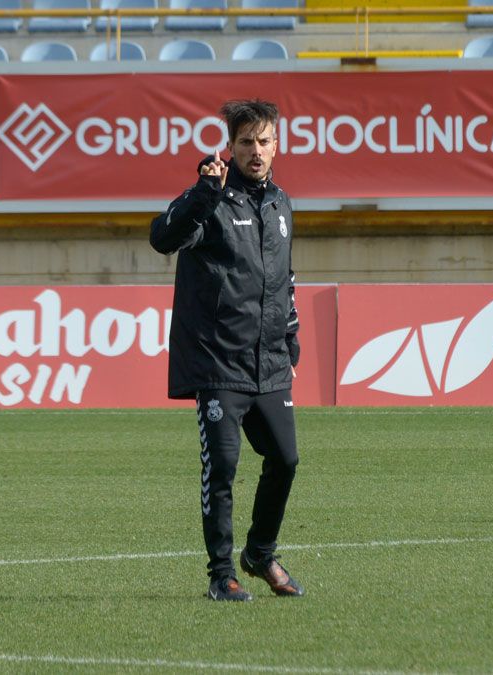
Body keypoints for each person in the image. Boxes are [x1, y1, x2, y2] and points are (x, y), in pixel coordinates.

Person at [150, 99, 304, 602]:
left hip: (270, 364)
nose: (255, 151)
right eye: (245, 143)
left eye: (263, 141)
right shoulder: (211, 198)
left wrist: (290, 340)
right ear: (231, 147)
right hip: (218, 361)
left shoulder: (282, 203)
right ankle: (222, 575)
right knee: (223, 465)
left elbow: (285, 278)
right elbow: (163, 237)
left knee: (285, 460)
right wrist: (202, 192)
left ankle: (259, 554)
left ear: (277, 144)